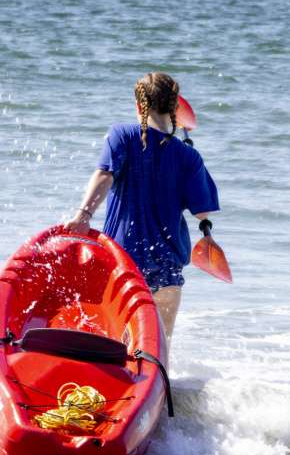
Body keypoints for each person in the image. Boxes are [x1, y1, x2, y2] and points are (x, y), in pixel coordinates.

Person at [63, 72, 219, 340]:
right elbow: (201, 212)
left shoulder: (121, 135)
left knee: (116, 347)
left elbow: (104, 175)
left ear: (139, 105)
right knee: (158, 352)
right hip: (167, 268)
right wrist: (190, 155)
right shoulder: (189, 156)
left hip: (123, 262)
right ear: (174, 109)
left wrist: (83, 214)